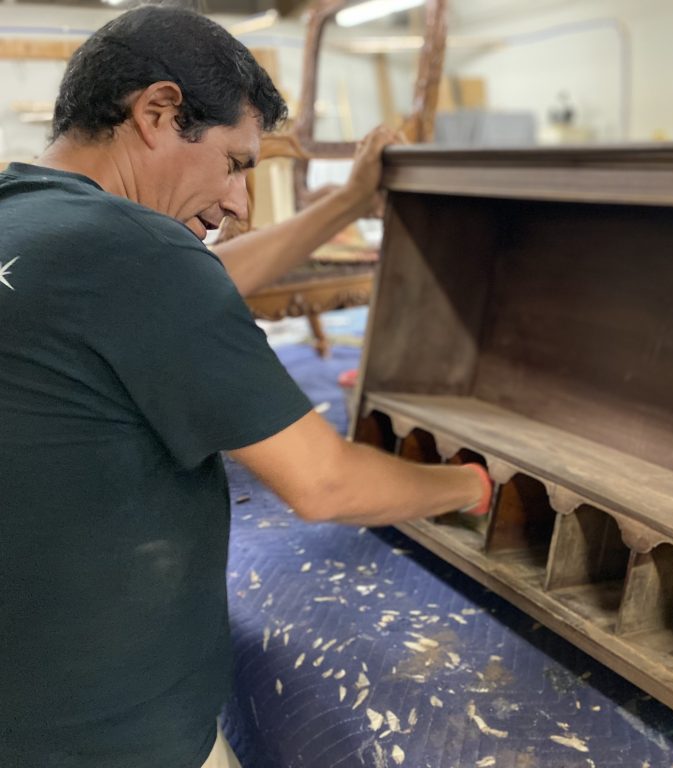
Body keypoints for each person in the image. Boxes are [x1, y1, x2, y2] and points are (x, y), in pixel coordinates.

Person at [0, 6, 490, 768]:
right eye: (235, 163)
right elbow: (326, 485)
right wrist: (470, 485)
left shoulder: (26, 224)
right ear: (159, 113)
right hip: (112, 740)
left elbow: (194, 290)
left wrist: (349, 203)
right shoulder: (140, 257)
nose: (238, 204)